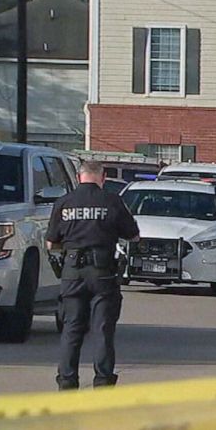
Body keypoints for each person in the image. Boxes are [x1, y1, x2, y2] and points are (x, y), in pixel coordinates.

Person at [46, 160, 140, 391]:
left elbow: (50, 243)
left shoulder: (64, 202)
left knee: (72, 327)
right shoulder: (112, 201)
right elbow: (133, 236)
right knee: (102, 329)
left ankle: (67, 381)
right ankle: (103, 380)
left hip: (72, 271)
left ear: (79, 177)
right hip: (103, 272)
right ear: (102, 177)